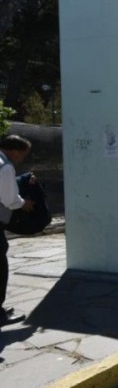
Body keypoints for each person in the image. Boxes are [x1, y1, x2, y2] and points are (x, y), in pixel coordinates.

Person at [0, 135, 35, 326]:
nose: (22, 159)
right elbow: (10, 200)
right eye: (22, 154)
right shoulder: (5, 167)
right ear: (13, 151)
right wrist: (24, 203)